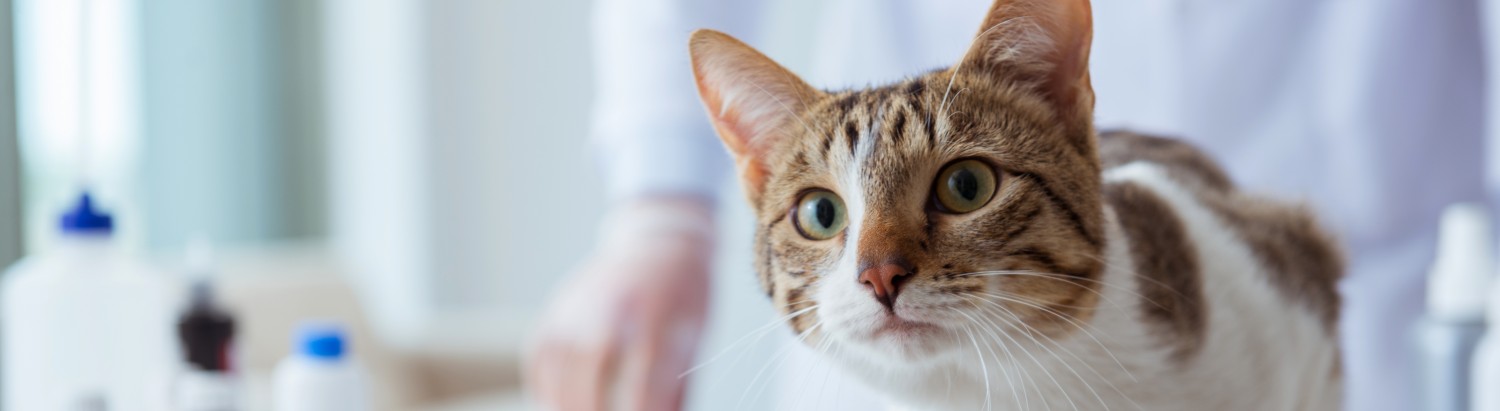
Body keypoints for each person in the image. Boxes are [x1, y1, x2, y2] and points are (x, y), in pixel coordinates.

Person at [525, 0, 1490, 410]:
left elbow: (1302, 254)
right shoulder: (866, 269)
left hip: (1387, 250)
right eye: (820, 216)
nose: (882, 263)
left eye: (960, 192)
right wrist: (660, 206)